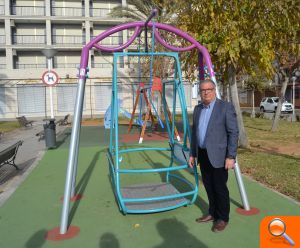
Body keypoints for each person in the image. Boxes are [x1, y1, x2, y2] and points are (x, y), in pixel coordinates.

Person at [189, 79, 239, 233]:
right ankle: (212, 213)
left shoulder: (225, 107)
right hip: (203, 154)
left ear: (214, 89)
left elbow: (233, 132)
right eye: (203, 90)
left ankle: (222, 218)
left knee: (219, 188)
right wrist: (192, 153)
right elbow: (194, 133)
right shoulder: (198, 109)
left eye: (209, 89)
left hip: (219, 155)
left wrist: (231, 156)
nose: (206, 92)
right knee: (209, 187)